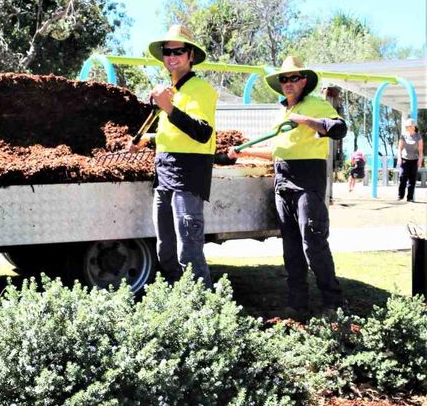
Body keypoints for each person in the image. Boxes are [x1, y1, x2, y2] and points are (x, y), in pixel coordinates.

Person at [228, 56, 347, 316]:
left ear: (304, 80)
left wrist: (307, 121)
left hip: (307, 180)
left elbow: (339, 129)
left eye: (294, 78)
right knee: (291, 248)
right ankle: (297, 304)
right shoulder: (281, 112)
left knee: (313, 244)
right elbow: (276, 149)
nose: (289, 83)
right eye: (284, 78)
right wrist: (242, 153)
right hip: (282, 180)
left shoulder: (316, 104)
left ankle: (333, 303)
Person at [132, 24, 217, 286]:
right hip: (165, 175)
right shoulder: (171, 91)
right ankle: (176, 302)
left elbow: (202, 133)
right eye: (167, 52)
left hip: (188, 176)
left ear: (191, 55)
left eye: (178, 51)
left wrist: (168, 108)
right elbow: (172, 136)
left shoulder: (201, 90)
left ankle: (201, 305)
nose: (172, 57)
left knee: (188, 248)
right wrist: (146, 140)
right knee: (165, 248)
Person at [397, 117, 423, 203]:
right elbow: (399, 148)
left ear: (412, 126)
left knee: (412, 180)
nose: (406, 127)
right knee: (402, 178)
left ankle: (410, 198)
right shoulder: (403, 136)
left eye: (407, 126)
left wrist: (420, 160)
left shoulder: (418, 136)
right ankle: (400, 196)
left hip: (414, 160)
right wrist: (399, 158)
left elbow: (420, 150)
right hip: (404, 159)